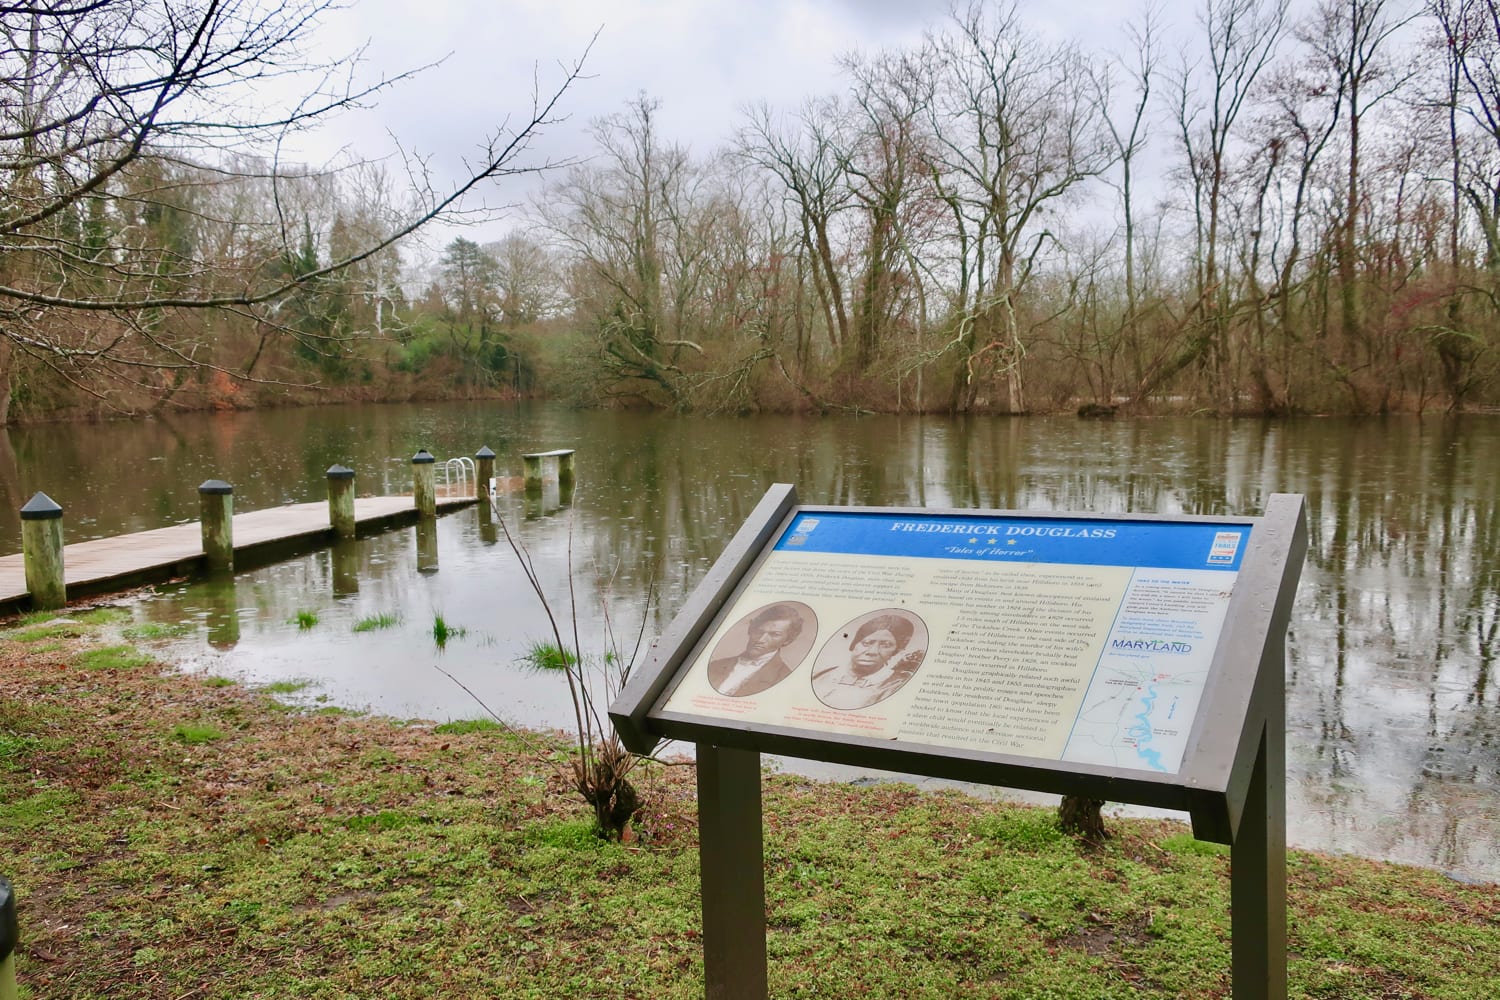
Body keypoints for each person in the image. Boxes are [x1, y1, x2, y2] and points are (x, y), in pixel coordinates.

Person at [812, 612, 924, 711]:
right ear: (854, 644)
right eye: (867, 642)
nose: (872, 651)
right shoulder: (820, 676)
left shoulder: (896, 686)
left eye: (886, 645)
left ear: (896, 651)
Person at [707, 603, 806, 697]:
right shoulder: (715, 665)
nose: (760, 640)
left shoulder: (784, 679)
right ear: (750, 630)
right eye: (759, 631)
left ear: (787, 641)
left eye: (774, 634)